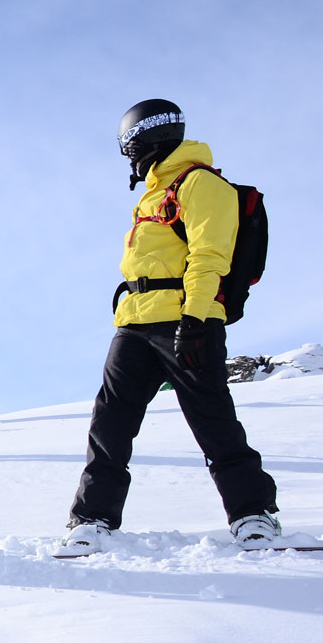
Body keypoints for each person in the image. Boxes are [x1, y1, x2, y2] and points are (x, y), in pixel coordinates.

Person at [63, 99, 280, 553]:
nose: (128, 155)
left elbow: (209, 256)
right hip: (135, 324)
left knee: (211, 418)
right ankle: (92, 518)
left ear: (147, 137)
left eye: (129, 144)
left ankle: (252, 515)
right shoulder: (154, 193)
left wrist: (197, 319)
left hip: (185, 319)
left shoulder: (199, 182)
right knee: (110, 422)